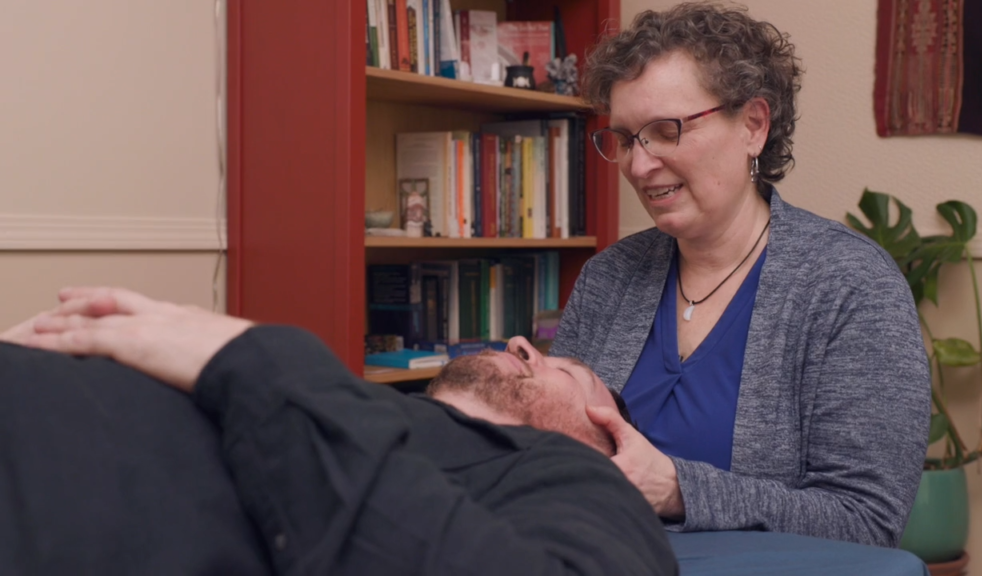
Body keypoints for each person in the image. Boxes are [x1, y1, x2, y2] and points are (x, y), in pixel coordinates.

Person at [550, 2, 931, 548]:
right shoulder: (608, 278)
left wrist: (680, 491)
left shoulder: (851, 286)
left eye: (666, 130)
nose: (638, 165)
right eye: (629, 138)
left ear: (754, 124)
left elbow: (864, 521)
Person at [0, 287, 677, 576]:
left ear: (610, 442)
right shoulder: (353, 403)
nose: (527, 343)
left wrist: (258, 358)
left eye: (565, 370)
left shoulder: (582, 484)